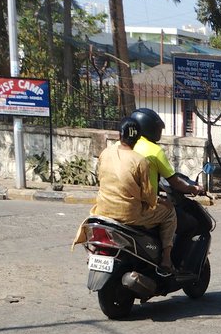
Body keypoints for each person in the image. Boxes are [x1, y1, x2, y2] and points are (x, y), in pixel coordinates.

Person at [73, 117, 178, 276]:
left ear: (119, 136)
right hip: (130, 216)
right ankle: (166, 259)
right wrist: (162, 201)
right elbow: (149, 197)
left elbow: (100, 179)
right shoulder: (140, 161)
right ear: (137, 138)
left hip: (102, 210)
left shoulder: (105, 153)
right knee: (169, 213)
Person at [126, 107, 211, 274]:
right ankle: (167, 260)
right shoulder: (154, 150)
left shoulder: (122, 147)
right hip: (141, 207)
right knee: (177, 217)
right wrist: (193, 188)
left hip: (113, 203)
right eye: (158, 128)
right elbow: (175, 182)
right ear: (150, 127)